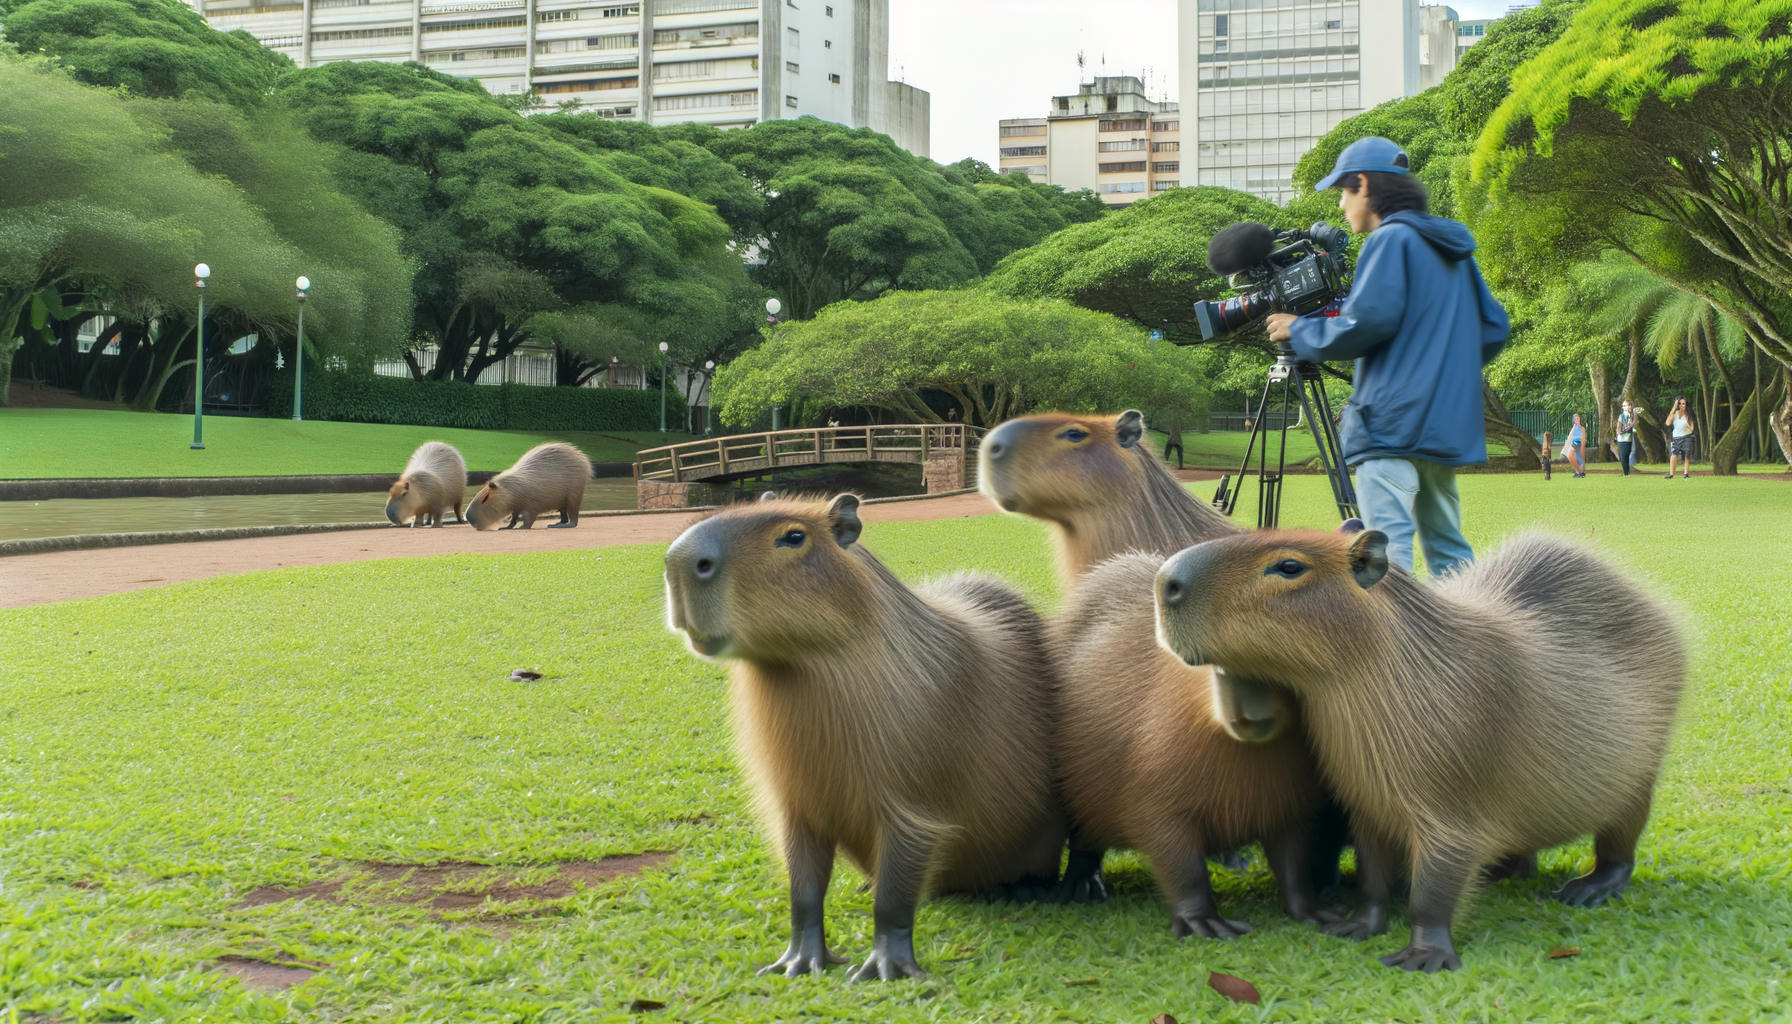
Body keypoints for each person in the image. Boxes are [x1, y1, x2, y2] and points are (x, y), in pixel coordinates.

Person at [1267, 136, 1509, 576]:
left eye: (1343, 191)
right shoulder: (1452, 249)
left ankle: (1396, 647)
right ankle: (1471, 643)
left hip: (1391, 426)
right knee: (1451, 554)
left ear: (1363, 184)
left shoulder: (1389, 240)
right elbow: (1494, 327)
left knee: (1388, 559)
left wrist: (1297, 328)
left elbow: (1366, 323)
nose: (1341, 205)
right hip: (1442, 430)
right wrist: (1442, 366)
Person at [1665, 396, 1695, 478]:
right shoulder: (1674, 414)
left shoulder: (1689, 414)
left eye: (1683, 404)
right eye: (1679, 404)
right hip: (1676, 438)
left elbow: (1692, 428)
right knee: (1674, 455)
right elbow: (1667, 423)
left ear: (1686, 405)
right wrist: (1674, 407)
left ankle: (1686, 474)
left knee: (1686, 455)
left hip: (1687, 437)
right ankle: (1671, 474)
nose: (1681, 405)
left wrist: (1688, 425)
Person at [1614, 399, 1637, 476]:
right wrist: (1618, 431)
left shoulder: (1633, 414)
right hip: (1621, 438)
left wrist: (1629, 426)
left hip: (1629, 438)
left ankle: (1627, 473)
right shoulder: (1621, 415)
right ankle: (1626, 473)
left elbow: (1634, 423)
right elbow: (1619, 425)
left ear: (1630, 406)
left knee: (1627, 455)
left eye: (1625, 405)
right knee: (1623, 456)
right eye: (1623, 405)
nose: (1623, 407)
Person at [1565, 413, 1587, 478]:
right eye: (1575, 418)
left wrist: (1582, 447)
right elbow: (1570, 437)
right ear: (1574, 420)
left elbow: (1583, 438)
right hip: (1573, 445)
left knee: (1580, 459)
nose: (1577, 419)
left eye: (1578, 418)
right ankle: (1578, 472)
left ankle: (1581, 472)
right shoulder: (1573, 428)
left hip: (1579, 444)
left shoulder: (1582, 428)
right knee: (1570, 456)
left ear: (1580, 419)